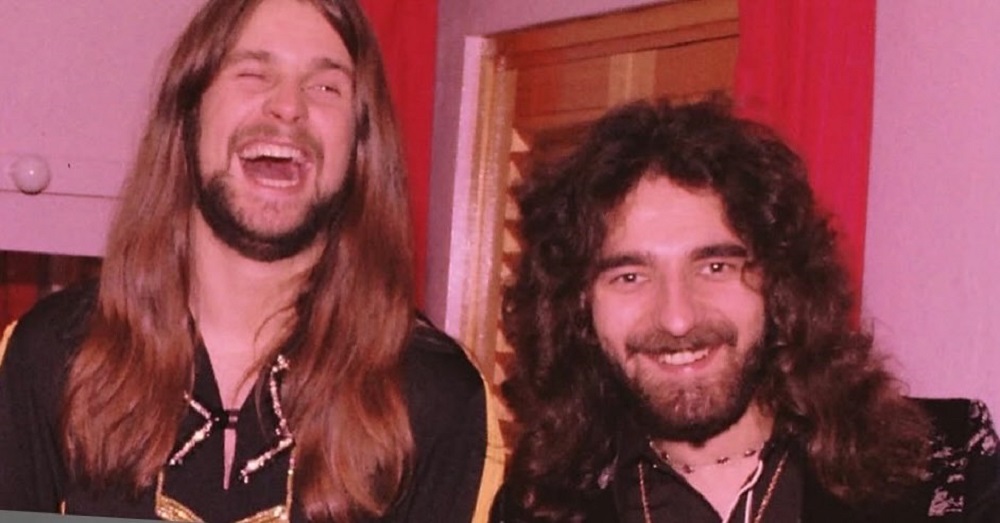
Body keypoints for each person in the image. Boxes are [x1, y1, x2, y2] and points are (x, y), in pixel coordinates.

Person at [0, 0, 502, 521]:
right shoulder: (49, 357)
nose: (288, 106)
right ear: (189, 114)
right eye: (253, 73)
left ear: (360, 143)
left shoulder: (438, 398)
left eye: (325, 87)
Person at [491, 97, 1000, 522]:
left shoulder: (944, 467)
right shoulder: (538, 503)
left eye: (715, 267)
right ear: (577, 306)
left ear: (781, 280)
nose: (677, 318)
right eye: (630, 277)